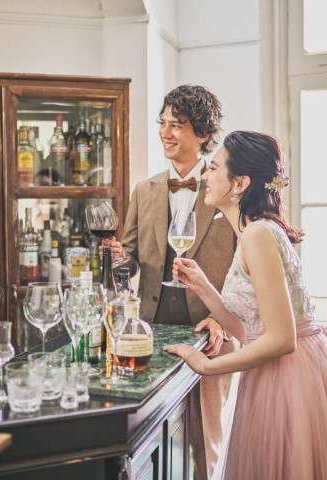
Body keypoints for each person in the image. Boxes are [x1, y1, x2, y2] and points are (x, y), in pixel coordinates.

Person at [164, 131, 327, 479]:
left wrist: (206, 365)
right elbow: (250, 332)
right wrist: (203, 287)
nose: (204, 176)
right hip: (283, 369)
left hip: (290, 376)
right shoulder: (256, 232)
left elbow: (281, 339)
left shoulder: (257, 235)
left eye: (213, 168)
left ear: (240, 183)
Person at [102, 84, 237, 479]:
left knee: (206, 440)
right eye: (162, 123)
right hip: (150, 331)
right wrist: (117, 256)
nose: (165, 132)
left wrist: (222, 320)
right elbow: (130, 259)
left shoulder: (227, 186)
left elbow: (241, 266)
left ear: (203, 133)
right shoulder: (144, 190)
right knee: (153, 434)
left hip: (211, 333)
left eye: (176, 125)